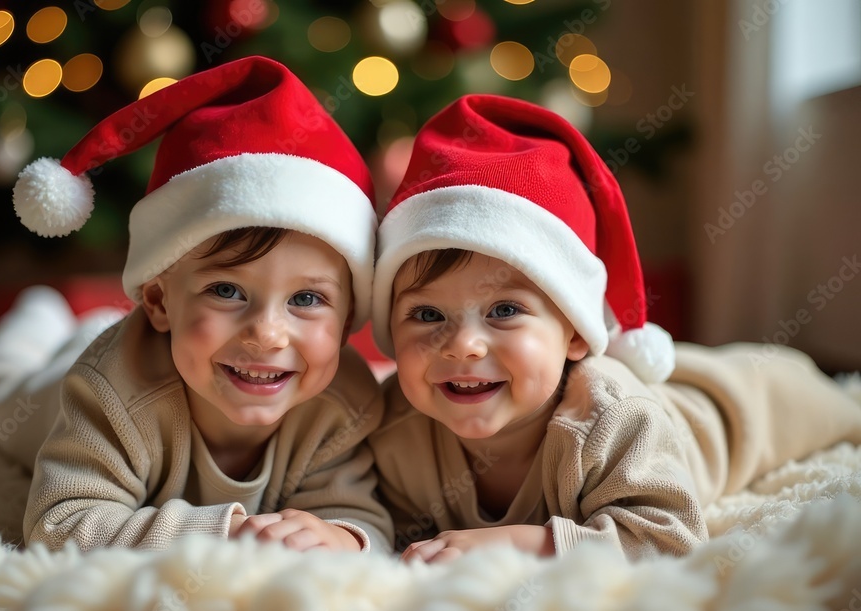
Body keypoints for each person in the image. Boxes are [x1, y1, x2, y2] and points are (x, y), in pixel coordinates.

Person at [367, 95, 861, 563]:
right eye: (428, 315)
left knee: (834, 404)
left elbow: (668, 539)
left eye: (503, 311)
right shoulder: (392, 425)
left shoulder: (614, 419)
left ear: (577, 332)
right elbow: (356, 505)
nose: (463, 346)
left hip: (746, 399)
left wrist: (526, 543)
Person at [0, 56, 391, 553]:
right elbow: (60, 526)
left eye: (306, 299)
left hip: (140, 340)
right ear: (158, 300)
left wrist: (344, 537)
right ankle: (39, 316)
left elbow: (361, 512)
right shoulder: (110, 392)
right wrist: (225, 534)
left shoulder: (343, 403)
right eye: (227, 291)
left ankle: (87, 322)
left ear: (349, 316)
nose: (266, 334)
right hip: (55, 388)